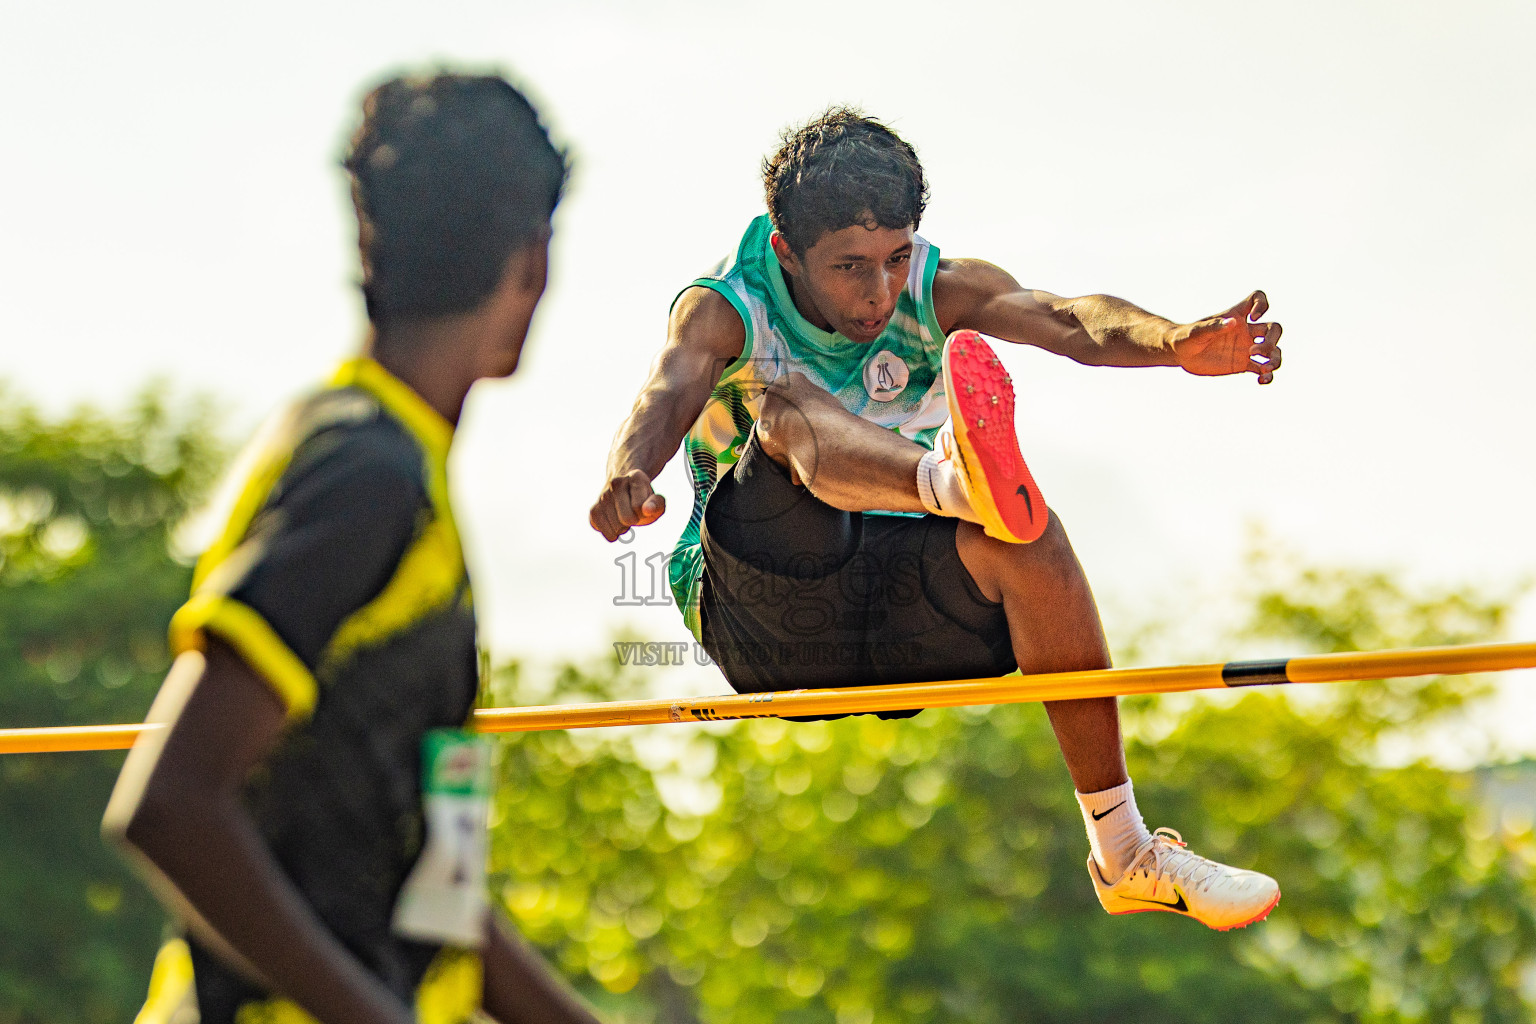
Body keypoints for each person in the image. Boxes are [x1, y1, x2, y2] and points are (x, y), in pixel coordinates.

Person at [589, 108, 1284, 931]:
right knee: (778, 404)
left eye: (894, 259)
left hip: (896, 619)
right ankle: (949, 484)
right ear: (786, 250)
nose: (879, 292)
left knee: (1031, 541)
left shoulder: (938, 286)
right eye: (849, 267)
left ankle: (1125, 852)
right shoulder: (727, 307)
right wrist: (629, 468)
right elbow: (668, 387)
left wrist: (1172, 340)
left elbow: (1066, 316)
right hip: (763, 610)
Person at [104, 72, 603, 1024]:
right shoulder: (365, 472)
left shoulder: (391, 464)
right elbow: (171, 805)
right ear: (533, 263)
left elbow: (436, 888)